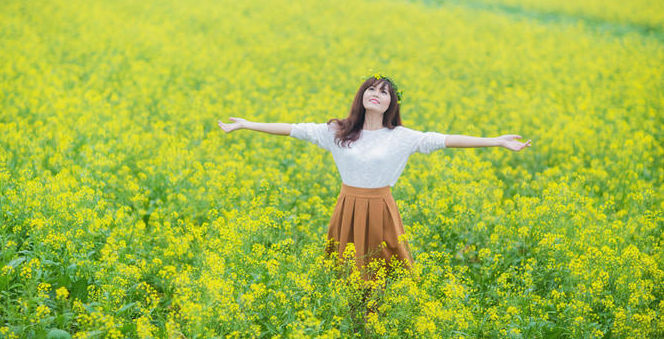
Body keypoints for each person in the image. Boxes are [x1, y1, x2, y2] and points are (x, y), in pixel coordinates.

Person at [218, 73, 531, 285]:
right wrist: (247, 124)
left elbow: (446, 139)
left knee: (388, 268)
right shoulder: (337, 131)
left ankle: (386, 321)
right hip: (348, 206)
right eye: (371, 89)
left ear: (391, 103)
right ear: (361, 96)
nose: (376, 95)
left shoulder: (402, 137)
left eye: (384, 92)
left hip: (381, 207)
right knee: (344, 268)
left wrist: (495, 140)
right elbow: (292, 128)